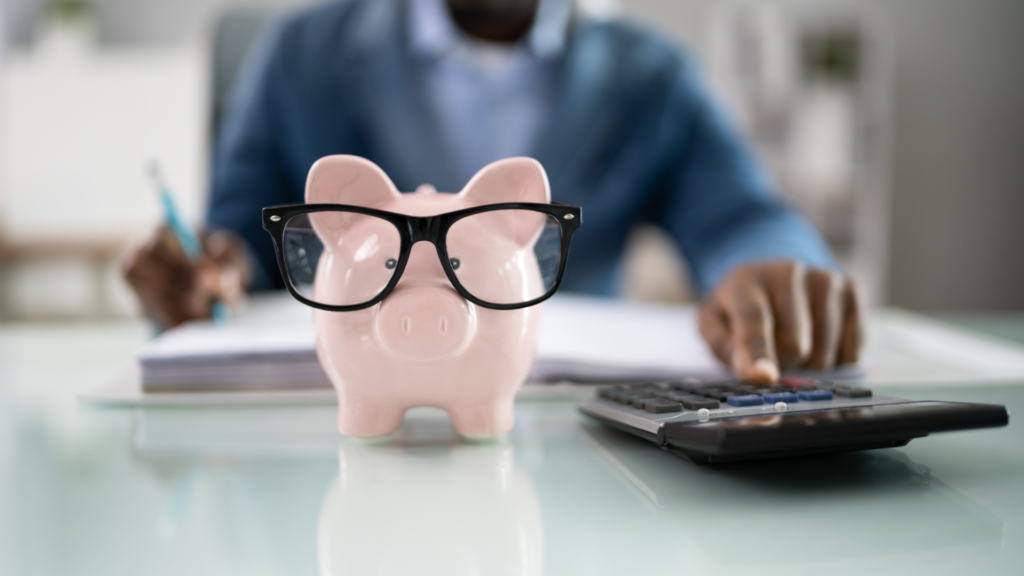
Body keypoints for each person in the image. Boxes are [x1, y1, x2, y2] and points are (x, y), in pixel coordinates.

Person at [122, 0, 861, 382]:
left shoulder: (653, 78)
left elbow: (742, 218)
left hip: (559, 432)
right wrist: (202, 269)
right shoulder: (298, 57)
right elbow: (235, 239)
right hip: (335, 428)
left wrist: (769, 275)